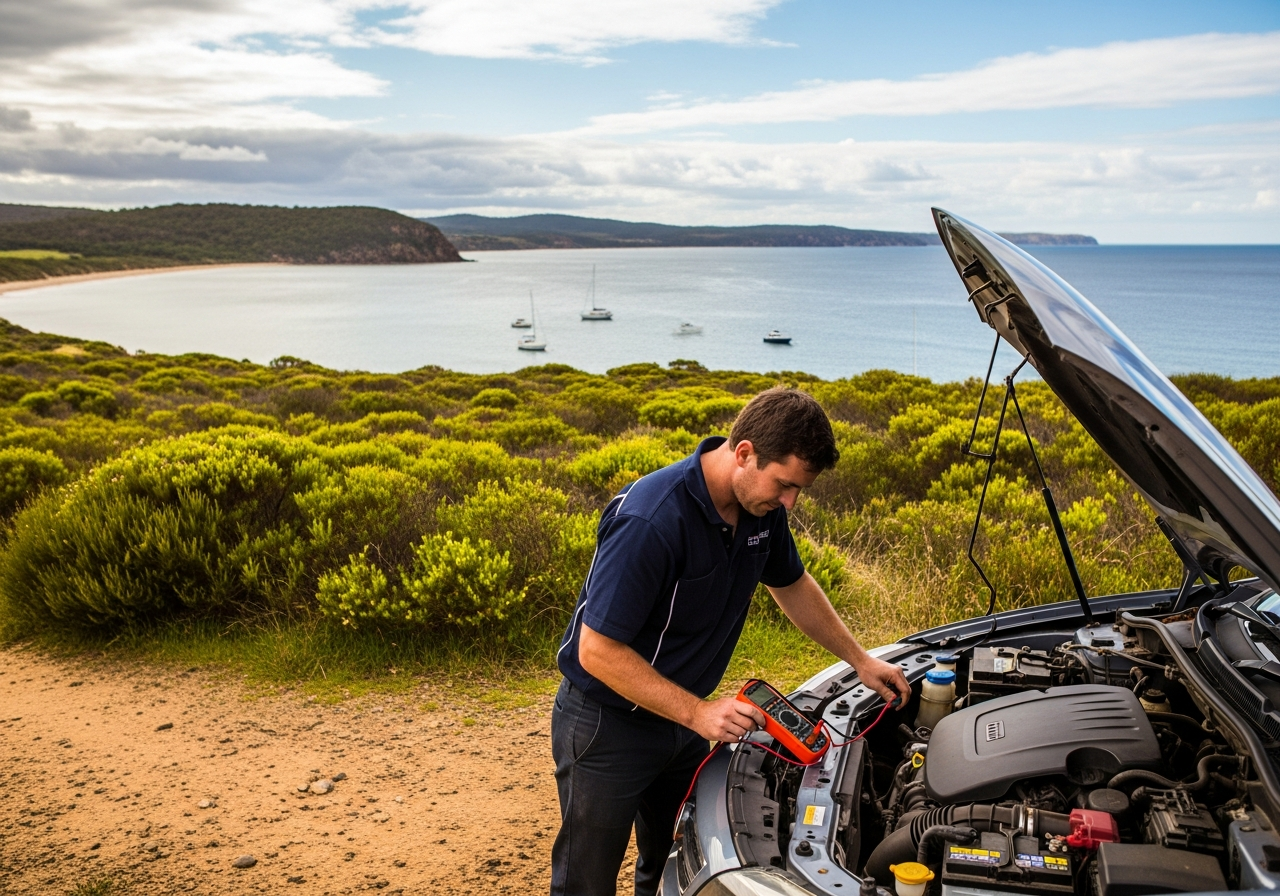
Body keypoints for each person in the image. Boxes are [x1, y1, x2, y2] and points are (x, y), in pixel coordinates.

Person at [550, 387, 911, 896]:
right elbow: (597, 650)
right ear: (744, 453)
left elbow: (792, 585)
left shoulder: (761, 510)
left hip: (684, 722)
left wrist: (861, 661)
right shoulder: (651, 520)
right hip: (608, 725)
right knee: (585, 880)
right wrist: (698, 713)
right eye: (785, 484)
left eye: (799, 490)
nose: (790, 502)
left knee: (671, 863)